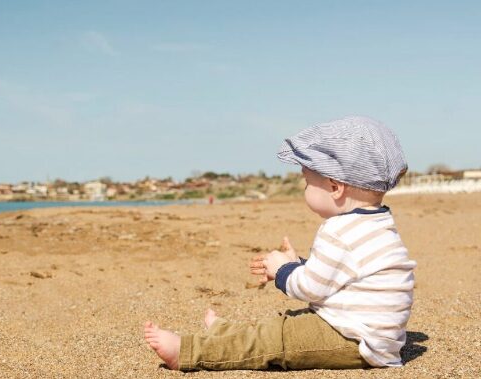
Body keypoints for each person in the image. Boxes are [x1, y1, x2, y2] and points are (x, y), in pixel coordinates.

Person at [144, 116, 416, 371]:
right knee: (286, 323)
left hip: (354, 340)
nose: (305, 189)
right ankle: (226, 332)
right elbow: (341, 276)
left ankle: (188, 351)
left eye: (308, 182)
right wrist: (299, 264)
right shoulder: (377, 223)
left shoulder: (338, 230)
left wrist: (282, 271)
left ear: (335, 187)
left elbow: (311, 289)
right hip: (376, 338)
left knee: (276, 338)